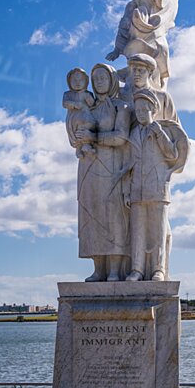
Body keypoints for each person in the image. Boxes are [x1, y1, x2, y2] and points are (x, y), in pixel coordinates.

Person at [68, 63, 132, 282]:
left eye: (103, 77)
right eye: (95, 79)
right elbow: (75, 131)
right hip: (88, 165)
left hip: (112, 166)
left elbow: (121, 137)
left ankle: (115, 269)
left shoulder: (120, 107)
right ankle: (99, 269)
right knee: (91, 215)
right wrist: (78, 139)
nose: (99, 82)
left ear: (112, 79)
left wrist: (94, 138)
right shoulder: (88, 108)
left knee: (113, 215)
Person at [124, 85, 188, 281]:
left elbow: (172, 154)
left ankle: (158, 269)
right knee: (137, 232)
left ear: (153, 110)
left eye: (145, 110)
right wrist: (127, 190)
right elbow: (130, 164)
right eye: (139, 110)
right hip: (137, 190)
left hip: (158, 189)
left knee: (158, 231)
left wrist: (159, 134)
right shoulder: (133, 133)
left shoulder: (160, 130)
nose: (142, 114)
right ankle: (137, 269)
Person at [106, 0, 181, 90]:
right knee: (134, 75)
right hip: (137, 45)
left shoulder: (165, 3)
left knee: (156, 77)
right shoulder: (133, 6)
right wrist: (117, 49)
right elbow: (123, 27)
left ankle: (158, 96)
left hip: (157, 45)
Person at [63, 67, 97, 158]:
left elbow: (93, 104)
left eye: (81, 80)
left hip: (87, 117)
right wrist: (74, 104)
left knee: (87, 128)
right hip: (74, 118)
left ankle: (86, 145)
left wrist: (89, 100)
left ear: (86, 81)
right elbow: (65, 103)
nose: (77, 82)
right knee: (77, 132)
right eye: (74, 80)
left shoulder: (87, 93)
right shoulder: (68, 94)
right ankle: (79, 149)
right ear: (69, 82)